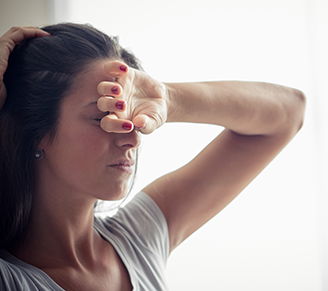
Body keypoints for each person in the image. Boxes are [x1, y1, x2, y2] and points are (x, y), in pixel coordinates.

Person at [0, 24, 305, 291]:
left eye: (132, 115)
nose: (132, 137)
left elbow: (290, 111)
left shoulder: (138, 238)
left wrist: (166, 98)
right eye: (103, 117)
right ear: (33, 127)